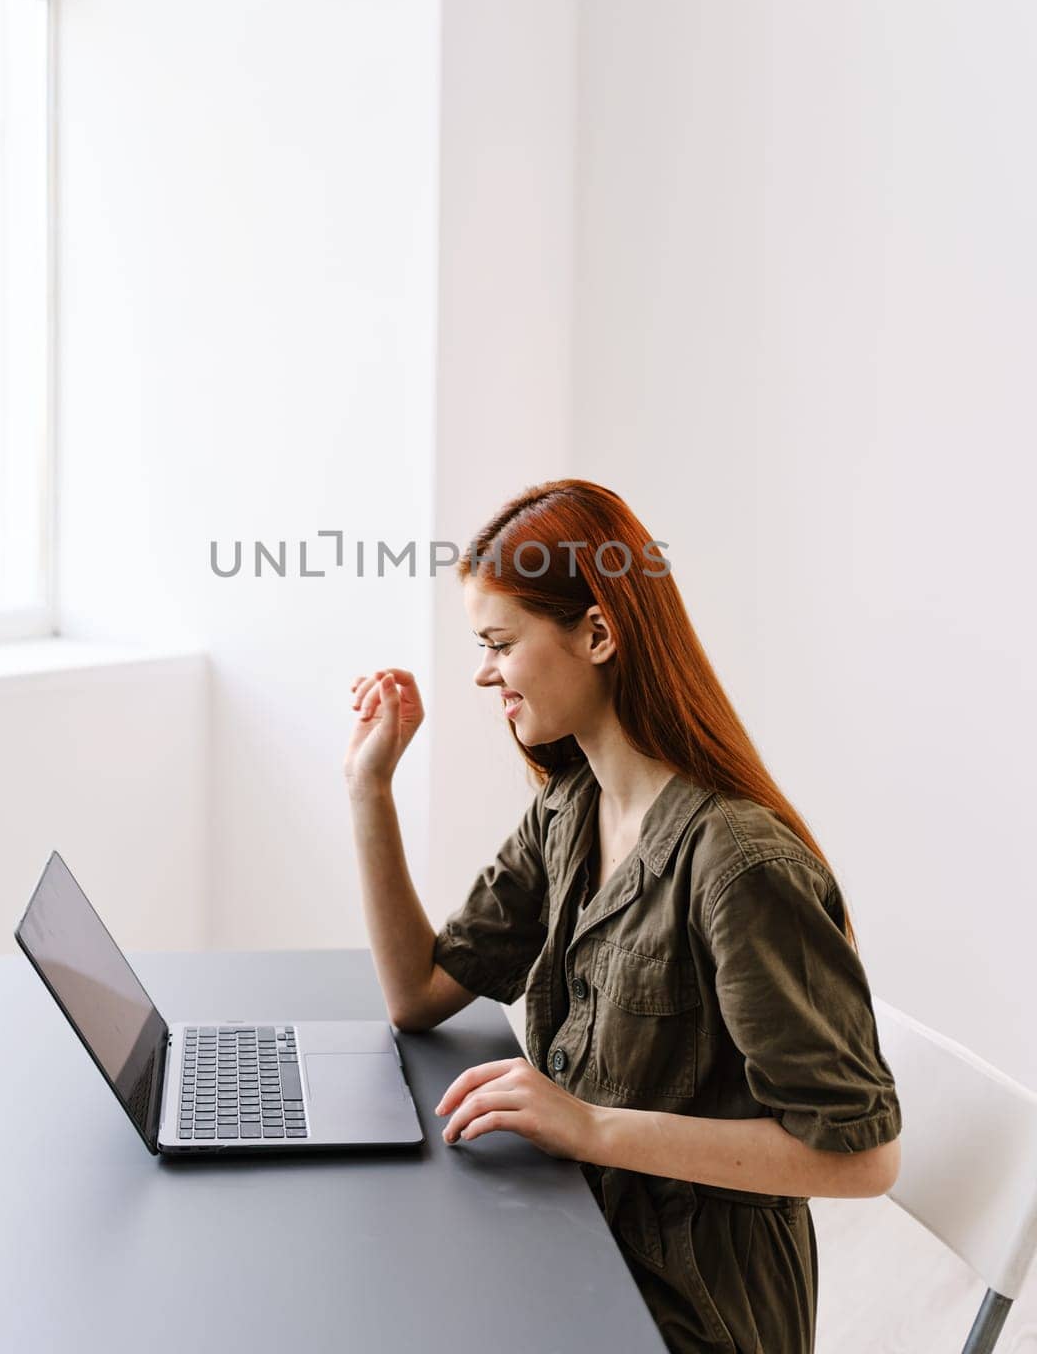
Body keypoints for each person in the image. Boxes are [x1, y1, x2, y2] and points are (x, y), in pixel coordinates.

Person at [344, 478, 902, 1354]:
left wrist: (591, 1125)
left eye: (500, 642)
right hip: (579, 1237)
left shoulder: (741, 867)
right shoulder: (572, 807)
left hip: (693, 1311)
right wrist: (368, 787)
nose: (484, 671)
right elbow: (417, 993)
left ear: (598, 633)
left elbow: (861, 1159)